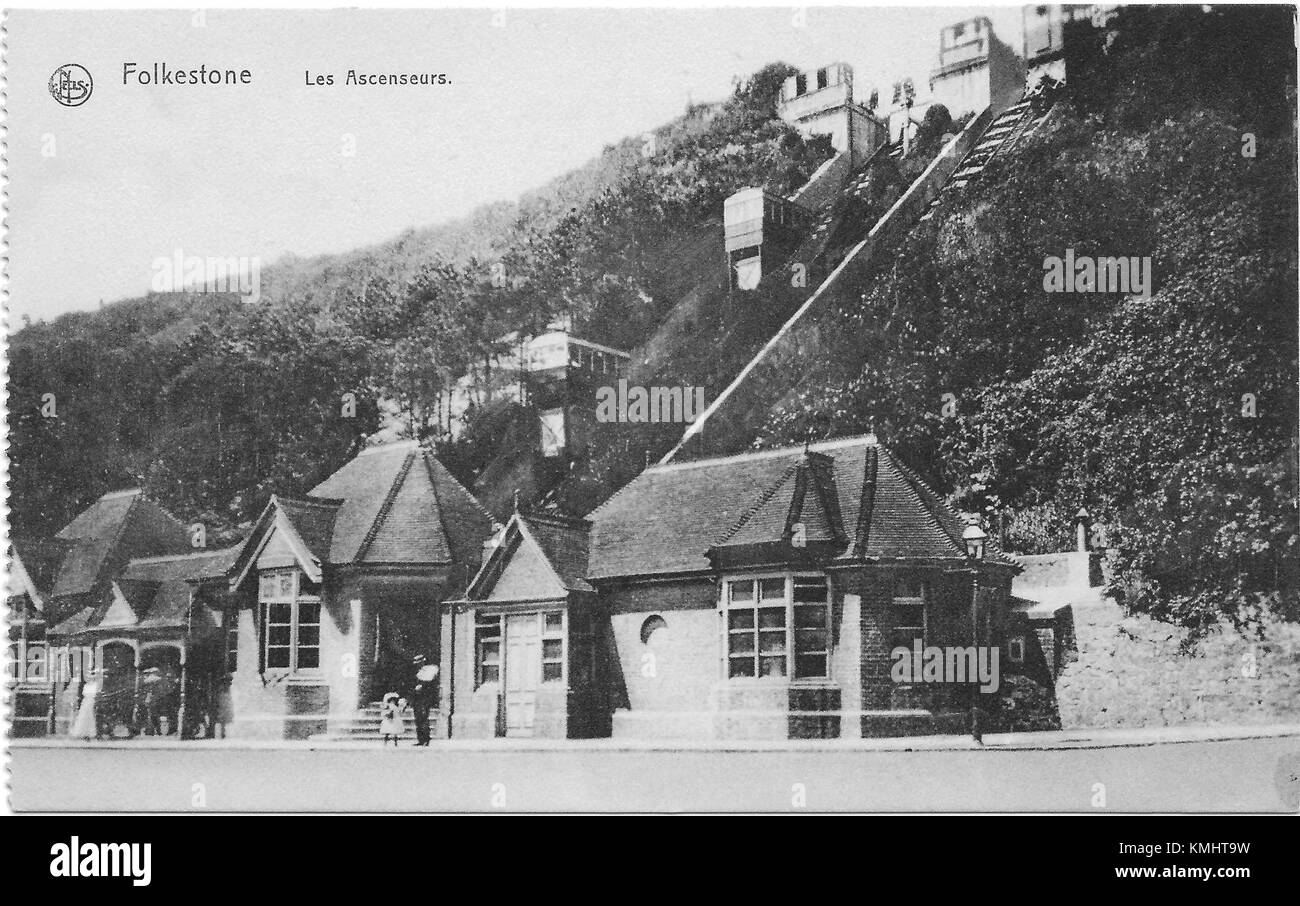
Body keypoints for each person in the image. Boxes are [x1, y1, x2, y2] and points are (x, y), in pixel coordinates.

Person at [410, 655, 439, 746]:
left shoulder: (429, 670)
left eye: (419, 663)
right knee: (418, 719)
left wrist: (422, 687)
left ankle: (426, 739)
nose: (417, 665)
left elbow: (430, 684)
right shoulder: (418, 672)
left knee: (423, 718)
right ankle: (421, 739)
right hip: (417, 699)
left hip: (425, 699)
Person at [70, 670, 102, 740]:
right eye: (88, 678)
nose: (90, 679)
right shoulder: (86, 685)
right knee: (83, 718)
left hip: (92, 702)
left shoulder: (95, 685)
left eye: (91, 677)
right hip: (85, 703)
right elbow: (83, 695)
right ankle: (82, 733)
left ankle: (90, 734)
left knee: (91, 719)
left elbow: (97, 694)